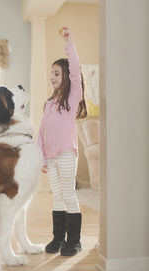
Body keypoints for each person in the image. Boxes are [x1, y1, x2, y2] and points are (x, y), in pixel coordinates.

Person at [38, 27, 87, 256]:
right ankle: (58, 238)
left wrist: (69, 43)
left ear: (66, 76)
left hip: (66, 153)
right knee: (56, 196)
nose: (52, 77)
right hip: (50, 156)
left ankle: (74, 240)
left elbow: (76, 71)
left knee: (68, 195)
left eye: (56, 73)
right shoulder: (49, 104)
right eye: (51, 73)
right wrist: (41, 157)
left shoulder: (72, 97)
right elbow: (41, 132)